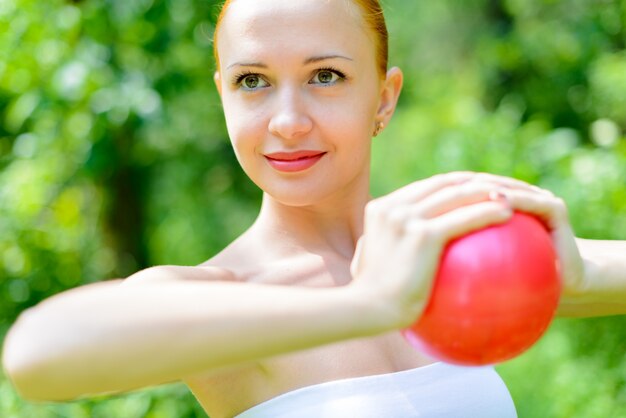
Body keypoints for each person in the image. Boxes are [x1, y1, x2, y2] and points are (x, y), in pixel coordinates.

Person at [2, 0, 626, 417]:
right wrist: (364, 305)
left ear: (384, 98)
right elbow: (35, 357)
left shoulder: (439, 252)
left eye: (325, 76)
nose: (289, 121)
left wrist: (580, 276)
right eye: (252, 81)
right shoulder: (225, 293)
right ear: (223, 95)